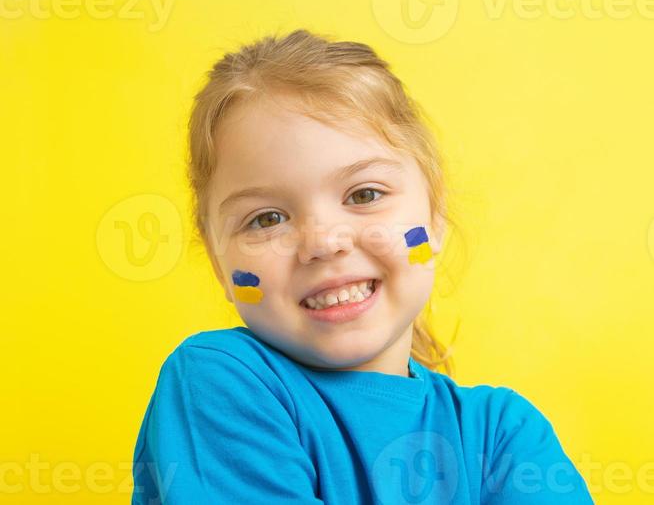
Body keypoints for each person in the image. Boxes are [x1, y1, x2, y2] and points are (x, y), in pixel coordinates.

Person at [130, 28, 594, 504]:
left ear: (434, 216)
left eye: (364, 194)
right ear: (217, 262)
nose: (324, 243)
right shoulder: (219, 382)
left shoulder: (501, 435)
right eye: (267, 219)